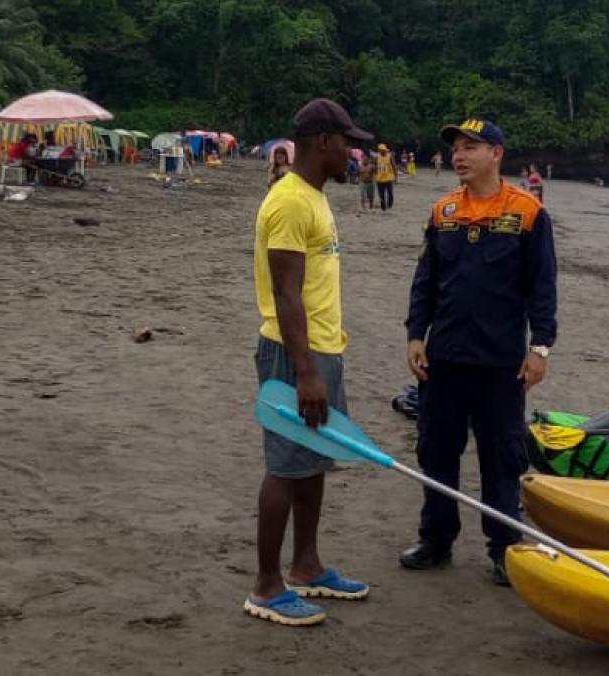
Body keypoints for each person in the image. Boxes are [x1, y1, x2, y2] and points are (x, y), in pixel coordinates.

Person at [401, 118, 557, 587]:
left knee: (501, 456)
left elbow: (542, 289)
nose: (459, 155)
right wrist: (415, 335)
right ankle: (436, 538)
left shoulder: (527, 213)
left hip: (500, 364)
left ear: (497, 154)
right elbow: (425, 281)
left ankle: (504, 547)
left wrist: (541, 348)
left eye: (471, 147)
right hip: (444, 359)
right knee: (436, 451)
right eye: (456, 148)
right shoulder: (444, 211)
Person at [245, 98, 376, 628]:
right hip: (291, 351)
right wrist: (304, 372)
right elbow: (286, 293)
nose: (354, 153)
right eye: (348, 143)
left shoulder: (315, 197)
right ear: (324, 142)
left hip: (321, 347)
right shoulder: (291, 202)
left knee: (315, 457)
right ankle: (267, 585)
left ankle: (306, 565)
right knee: (284, 465)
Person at [373, 143, 397, 211]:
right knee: (381, 194)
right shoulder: (377, 157)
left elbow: (394, 166)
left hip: (389, 178)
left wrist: (395, 176)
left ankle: (389, 204)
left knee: (390, 193)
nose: (381, 151)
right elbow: (374, 167)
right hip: (379, 178)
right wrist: (374, 175)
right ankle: (383, 206)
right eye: (380, 150)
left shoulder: (390, 156)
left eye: (383, 150)